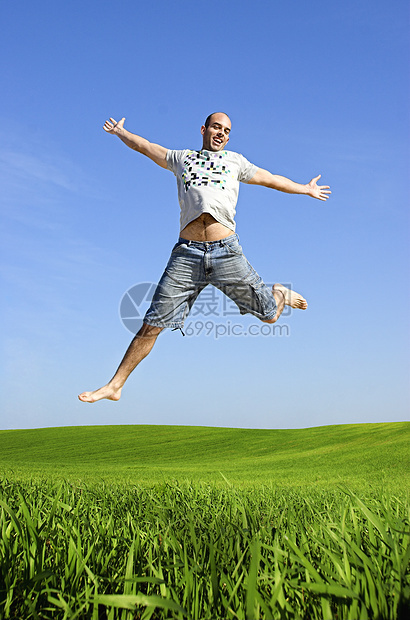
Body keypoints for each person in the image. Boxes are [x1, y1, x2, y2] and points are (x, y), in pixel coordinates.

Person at [78, 112, 330, 403]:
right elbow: (146, 146)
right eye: (216, 127)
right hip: (186, 254)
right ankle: (114, 386)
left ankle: (278, 293)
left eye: (227, 130)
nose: (221, 133)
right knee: (152, 323)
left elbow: (272, 180)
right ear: (204, 129)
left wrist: (306, 189)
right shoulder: (181, 158)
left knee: (271, 315)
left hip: (226, 252)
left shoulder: (236, 162)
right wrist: (122, 133)